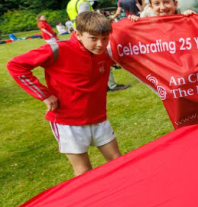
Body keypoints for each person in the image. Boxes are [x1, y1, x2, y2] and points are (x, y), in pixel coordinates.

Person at [7, 12, 125, 176]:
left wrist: (134, 21)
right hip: (68, 122)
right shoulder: (57, 49)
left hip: (99, 118)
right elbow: (15, 66)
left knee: (118, 161)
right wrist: (44, 95)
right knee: (84, 172)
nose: (100, 44)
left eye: (105, 38)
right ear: (78, 34)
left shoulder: (105, 52)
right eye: (93, 38)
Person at [67, 0, 128, 92]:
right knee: (102, 58)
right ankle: (111, 85)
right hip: (90, 34)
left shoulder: (70, 3)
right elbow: (86, 19)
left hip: (80, 35)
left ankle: (97, 84)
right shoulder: (83, 2)